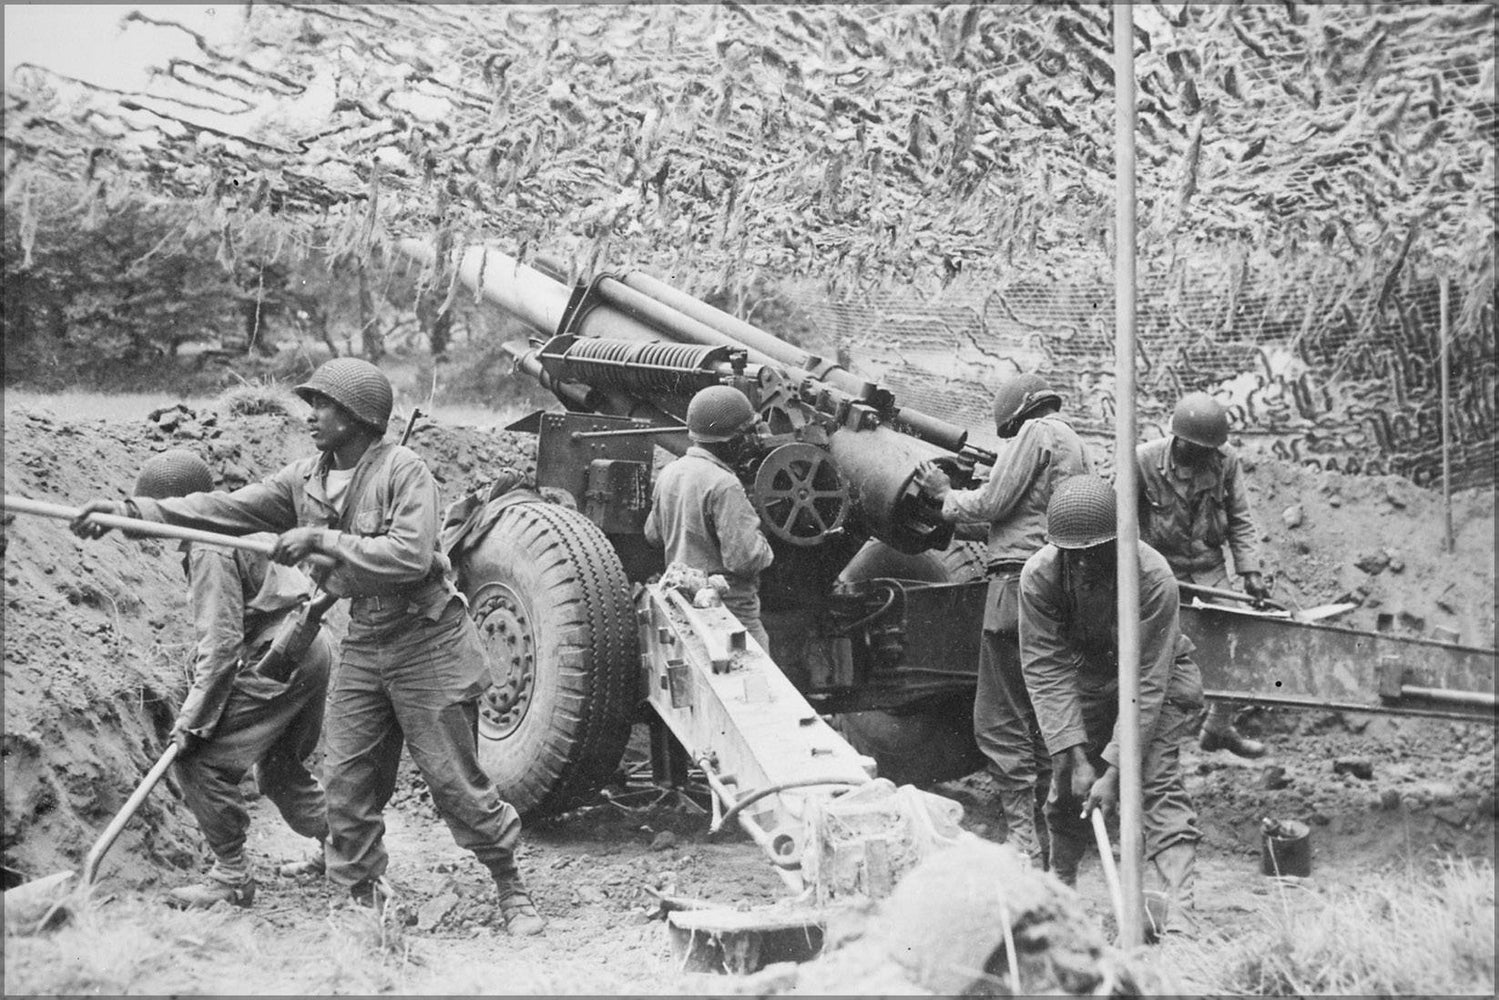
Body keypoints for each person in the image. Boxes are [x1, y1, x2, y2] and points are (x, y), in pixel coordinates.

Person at [72, 358, 545, 936]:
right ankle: (359, 904)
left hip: (430, 640)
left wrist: (322, 539)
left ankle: (510, 887)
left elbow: (411, 556)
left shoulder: (404, 470)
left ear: (357, 417)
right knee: (348, 784)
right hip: (367, 640)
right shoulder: (304, 479)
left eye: (322, 404)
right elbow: (225, 509)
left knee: (454, 783)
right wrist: (133, 513)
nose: (310, 415)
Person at [127, 449, 334, 909]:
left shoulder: (209, 547)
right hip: (309, 646)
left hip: (281, 656)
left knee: (198, 761)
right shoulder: (235, 525)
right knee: (279, 770)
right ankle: (346, 846)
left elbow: (219, 649)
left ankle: (232, 876)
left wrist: (193, 720)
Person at [913, 373, 1091, 867]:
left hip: (1014, 587)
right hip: (1057, 583)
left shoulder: (1035, 434)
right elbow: (1007, 516)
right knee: (1039, 714)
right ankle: (1049, 834)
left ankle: (1024, 840)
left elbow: (992, 504)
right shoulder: (1075, 442)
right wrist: (951, 514)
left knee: (997, 718)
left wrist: (944, 492)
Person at [1019, 474, 1203, 937]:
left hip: (1156, 677)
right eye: (1071, 555)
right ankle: (1059, 893)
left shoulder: (1153, 577)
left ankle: (1179, 911)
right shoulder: (1040, 576)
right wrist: (1077, 758)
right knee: (1067, 785)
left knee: (1154, 784)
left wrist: (1117, 771)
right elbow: (1045, 668)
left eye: (1094, 553)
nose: (1081, 565)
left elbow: (1146, 680)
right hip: (1088, 676)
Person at [1136, 391, 1269, 759]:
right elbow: (1121, 522)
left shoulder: (1225, 461)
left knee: (1238, 635)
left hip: (1208, 566)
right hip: (1161, 570)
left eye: (1213, 448)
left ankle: (1218, 727)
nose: (1210, 455)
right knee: (1157, 650)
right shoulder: (1144, 461)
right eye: (1201, 449)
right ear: (1181, 441)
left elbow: (1240, 519)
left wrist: (1250, 571)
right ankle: (1150, 739)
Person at [645, 384, 775, 652]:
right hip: (731, 612)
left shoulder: (670, 473)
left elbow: (653, 535)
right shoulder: (724, 484)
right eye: (747, 434)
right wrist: (762, 532)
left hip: (684, 603)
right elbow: (745, 559)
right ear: (734, 440)